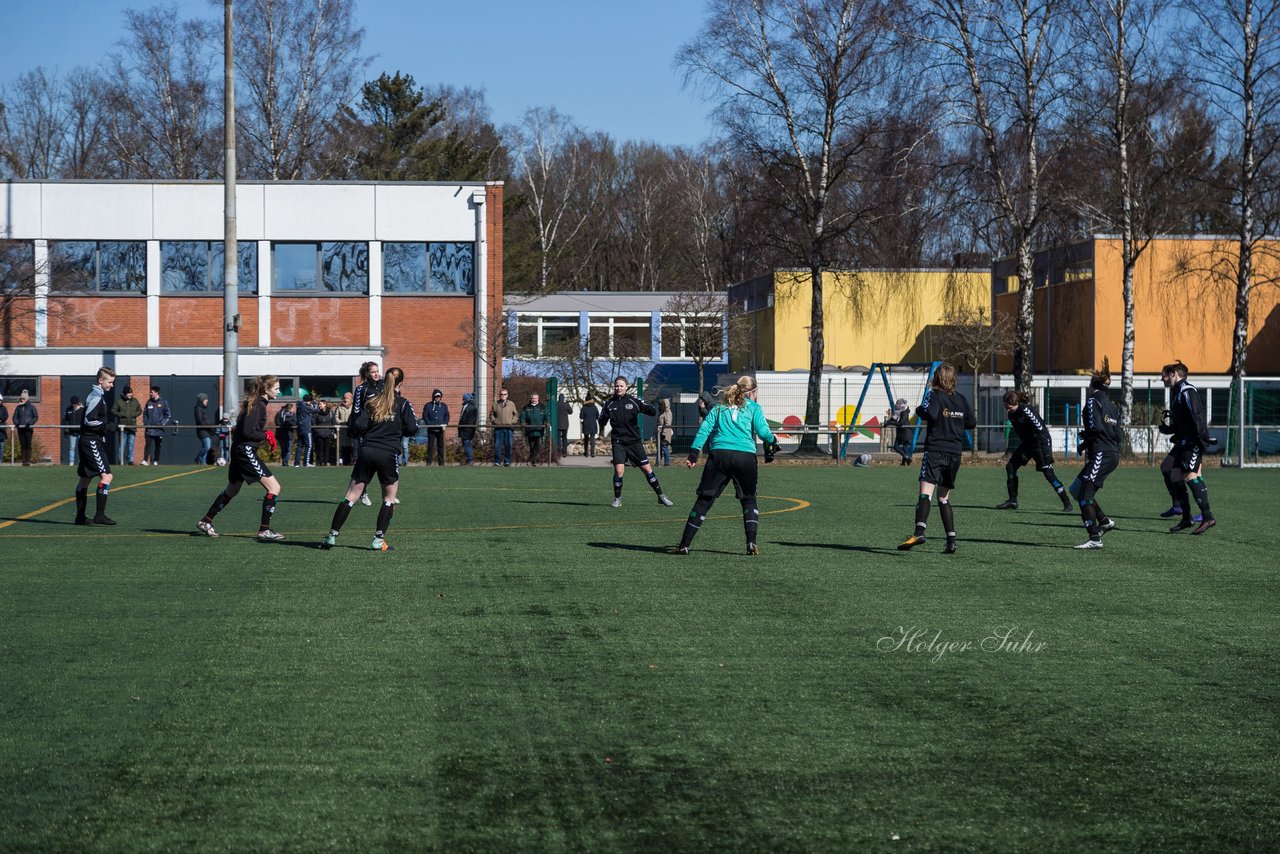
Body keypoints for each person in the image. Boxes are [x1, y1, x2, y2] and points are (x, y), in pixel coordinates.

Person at [672, 376, 780, 556]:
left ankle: (684, 545)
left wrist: (693, 453)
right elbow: (763, 432)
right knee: (749, 499)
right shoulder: (754, 408)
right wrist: (773, 441)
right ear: (752, 392)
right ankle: (751, 543)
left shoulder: (720, 406)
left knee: (704, 500)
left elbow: (705, 428)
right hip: (745, 457)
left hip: (719, 455)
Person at [319, 367, 419, 551]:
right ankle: (378, 540)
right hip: (388, 453)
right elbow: (413, 428)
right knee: (389, 499)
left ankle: (331, 536)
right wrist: (396, 429)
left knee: (350, 496)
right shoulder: (404, 404)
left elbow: (359, 423)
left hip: (367, 451)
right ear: (401, 383)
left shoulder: (373, 402)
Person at [196, 375, 286, 541]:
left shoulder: (257, 404)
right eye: (276, 389)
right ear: (266, 389)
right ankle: (264, 530)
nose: (279, 392)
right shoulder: (258, 405)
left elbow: (241, 431)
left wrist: (263, 436)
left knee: (232, 490)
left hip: (239, 451)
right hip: (245, 452)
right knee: (274, 488)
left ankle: (206, 521)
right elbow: (246, 432)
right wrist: (266, 435)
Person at [898, 363, 975, 555]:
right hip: (955, 453)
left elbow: (930, 413)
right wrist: (953, 422)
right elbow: (971, 423)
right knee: (943, 497)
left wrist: (920, 410)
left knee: (925, 493)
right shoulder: (961, 399)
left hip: (935, 451)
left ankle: (919, 533)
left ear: (937, 378)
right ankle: (951, 541)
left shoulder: (934, 394)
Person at [1159, 360, 1216, 535]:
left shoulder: (1187, 391)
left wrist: (1203, 438)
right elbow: (1182, 422)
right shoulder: (1177, 392)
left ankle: (1208, 517)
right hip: (1183, 441)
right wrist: (1169, 429)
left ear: (1173, 373)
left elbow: (1197, 416)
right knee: (1173, 473)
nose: (1162, 379)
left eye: (1164, 375)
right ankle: (1186, 517)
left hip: (1192, 442)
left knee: (1191, 475)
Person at [599, 376, 674, 508]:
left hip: (634, 442)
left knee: (647, 469)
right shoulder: (609, 404)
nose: (619, 388)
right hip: (618, 442)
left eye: (621, 386)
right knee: (619, 470)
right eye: (617, 386)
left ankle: (661, 496)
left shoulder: (633, 401)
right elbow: (602, 421)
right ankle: (617, 499)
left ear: (626, 387)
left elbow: (649, 410)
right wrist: (603, 418)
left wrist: (652, 408)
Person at [1069, 358, 1121, 550]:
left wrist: (1085, 442)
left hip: (1101, 453)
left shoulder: (1092, 401)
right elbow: (1117, 434)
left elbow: (1096, 427)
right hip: (1111, 453)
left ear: (1093, 385)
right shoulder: (1112, 406)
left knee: (1084, 495)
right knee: (1076, 489)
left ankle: (1094, 538)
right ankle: (1104, 522)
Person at [997, 389, 1072, 512]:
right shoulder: (1012, 414)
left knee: (1048, 473)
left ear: (1016, 403)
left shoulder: (1027, 411)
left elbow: (1042, 432)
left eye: (1010, 407)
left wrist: (1047, 453)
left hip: (1040, 444)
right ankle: (1012, 500)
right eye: (1006, 406)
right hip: (1028, 445)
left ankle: (1067, 503)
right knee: (1010, 467)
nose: (1007, 409)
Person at [73, 368, 117, 526]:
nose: (111, 385)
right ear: (101, 381)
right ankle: (100, 515)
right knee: (107, 476)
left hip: (88, 440)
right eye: (110, 382)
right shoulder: (96, 396)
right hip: (91, 441)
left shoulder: (96, 395)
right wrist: (106, 425)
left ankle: (80, 517)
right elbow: (88, 420)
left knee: (84, 479)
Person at [350, 361, 384, 505]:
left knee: (386, 461)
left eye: (377, 371)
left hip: (383, 429)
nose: (376, 374)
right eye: (373, 372)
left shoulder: (384, 386)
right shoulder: (361, 389)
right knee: (366, 463)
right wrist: (358, 427)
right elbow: (356, 411)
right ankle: (363, 492)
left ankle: (388, 493)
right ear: (366, 374)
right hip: (368, 431)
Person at [112, 386, 142, 465]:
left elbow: (139, 410)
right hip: (123, 427)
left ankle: (130, 461)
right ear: (125, 393)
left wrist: (133, 414)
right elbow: (113, 411)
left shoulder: (135, 401)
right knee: (122, 445)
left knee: (131, 445)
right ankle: (120, 461)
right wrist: (121, 414)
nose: (130, 394)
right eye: (128, 393)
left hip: (132, 427)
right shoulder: (119, 401)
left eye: (131, 393)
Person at [142, 386, 170, 465]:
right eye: (150, 392)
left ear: (157, 393)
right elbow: (145, 414)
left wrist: (162, 423)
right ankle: (145, 460)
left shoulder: (163, 402)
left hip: (159, 429)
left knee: (158, 446)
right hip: (149, 428)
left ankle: (155, 460)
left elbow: (168, 415)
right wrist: (146, 423)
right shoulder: (149, 402)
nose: (150, 394)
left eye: (152, 392)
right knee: (147, 445)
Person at [491, 387, 518, 466]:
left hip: (509, 428)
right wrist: (494, 421)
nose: (503, 395)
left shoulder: (511, 404)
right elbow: (491, 414)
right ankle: (497, 462)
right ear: (500, 395)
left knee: (508, 445)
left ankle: (507, 461)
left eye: (505, 394)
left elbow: (516, 414)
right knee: (497, 446)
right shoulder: (495, 403)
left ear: (507, 395)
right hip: (498, 428)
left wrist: (512, 422)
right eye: (501, 394)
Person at [422, 389, 449, 466]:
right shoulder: (428, 405)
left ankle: (441, 463)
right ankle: (429, 462)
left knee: (441, 446)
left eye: (439, 396)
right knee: (430, 446)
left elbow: (447, 415)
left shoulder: (444, 406)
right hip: (431, 429)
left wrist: (445, 423)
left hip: (440, 430)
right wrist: (429, 424)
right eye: (436, 396)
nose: (437, 398)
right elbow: (425, 416)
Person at [521, 393, 549, 465]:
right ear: (531, 399)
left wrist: (547, 422)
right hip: (530, 430)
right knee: (531, 446)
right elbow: (522, 416)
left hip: (539, 430)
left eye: (535, 398)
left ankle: (532, 460)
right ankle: (533, 460)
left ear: (538, 399)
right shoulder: (526, 407)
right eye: (533, 398)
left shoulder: (543, 407)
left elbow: (547, 416)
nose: (534, 400)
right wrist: (523, 422)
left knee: (537, 445)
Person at [14, 389, 38, 466]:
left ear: (27, 399)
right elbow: (15, 417)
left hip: (28, 429)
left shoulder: (31, 407)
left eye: (23, 398)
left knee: (28, 444)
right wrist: (17, 423)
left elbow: (35, 417)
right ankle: (23, 461)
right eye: (21, 398)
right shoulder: (18, 408)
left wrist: (30, 423)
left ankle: (28, 460)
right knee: (23, 445)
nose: (22, 400)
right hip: (20, 429)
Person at [294, 394, 317, 467]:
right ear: (309, 401)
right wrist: (315, 404)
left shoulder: (300, 405)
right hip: (306, 428)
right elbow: (315, 410)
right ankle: (306, 463)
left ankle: (296, 463)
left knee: (300, 446)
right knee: (309, 445)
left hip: (300, 428)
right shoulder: (305, 406)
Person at [888, 399, 913, 465]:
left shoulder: (904, 412)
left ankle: (906, 457)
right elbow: (893, 419)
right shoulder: (899, 412)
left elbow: (901, 423)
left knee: (896, 446)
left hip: (905, 432)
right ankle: (904, 462)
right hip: (902, 432)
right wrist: (887, 422)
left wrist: (890, 422)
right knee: (905, 447)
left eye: (899, 404)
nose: (897, 406)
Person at [194, 393, 216, 464]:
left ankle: (203, 462)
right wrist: (208, 426)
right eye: (205, 399)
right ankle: (198, 457)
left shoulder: (205, 409)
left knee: (206, 447)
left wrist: (211, 428)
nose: (207, 401)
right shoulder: (198, 409)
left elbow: (208, 420)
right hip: (202, 431)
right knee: (207, 446)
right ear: (201, 400)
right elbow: (200, 421)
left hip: (208, 431)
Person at [313, 399, 337, 465]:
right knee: (320, 449)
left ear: (325, 404)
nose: (319, 405)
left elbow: (333, 422)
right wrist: (317, 431)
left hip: (328, 434)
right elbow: (314, 423)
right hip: (319, 434)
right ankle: (320, 462)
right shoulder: (316, 413)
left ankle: (326, 462)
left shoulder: (331, 413)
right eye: (319, 404)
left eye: (320, 404)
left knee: (327, 449)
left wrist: (333, 432)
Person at [457, 392, 478, 464]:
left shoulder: (467, 406)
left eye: (463, 399)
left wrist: (460, 426)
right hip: (471, 428)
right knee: (468, 444)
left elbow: (463, 418)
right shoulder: (474, 406)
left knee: (466, 444)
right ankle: (469, 459)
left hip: (465, 428)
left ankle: (470, 460)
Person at [64, 396, 84, 466]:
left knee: (81, 447)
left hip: (81, 432)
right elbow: (65, 420)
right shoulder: (68, 409)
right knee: (72, 447)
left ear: (78, 403)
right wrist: (66, 430)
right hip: (72, 432)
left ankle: (81, 462)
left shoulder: (83, 410)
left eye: (75, 404)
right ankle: (71, 461)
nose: (74, 405)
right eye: (72, 404)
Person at [335, 392, 354, 465]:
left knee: (351, 446)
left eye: (347, 398)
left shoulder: (354, 408)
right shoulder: (339, 407)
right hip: (341, 429)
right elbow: (336, 418)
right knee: (340, 446)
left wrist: (349, 423)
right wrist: (342, 423)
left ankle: (351, 461)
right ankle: (341, 462)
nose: (345, 400)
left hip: (351, 429)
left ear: (351, 400)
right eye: (344, 398)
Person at [656, 398, 674, 466]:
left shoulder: (668, 412)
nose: (660, 406)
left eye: (661, 404)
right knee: (659, 448)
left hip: (665, 434)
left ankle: (667, 463)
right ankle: (658, 462)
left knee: (664, 447)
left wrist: (663, 434)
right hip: (659, 433)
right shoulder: (662, 412)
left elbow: (667, 424)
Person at [0, 395, 8, 463]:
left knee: (1, 446)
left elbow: (5, 416)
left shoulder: (3, 408)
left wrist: (1, 420)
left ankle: (0, 459)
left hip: (1, 430)